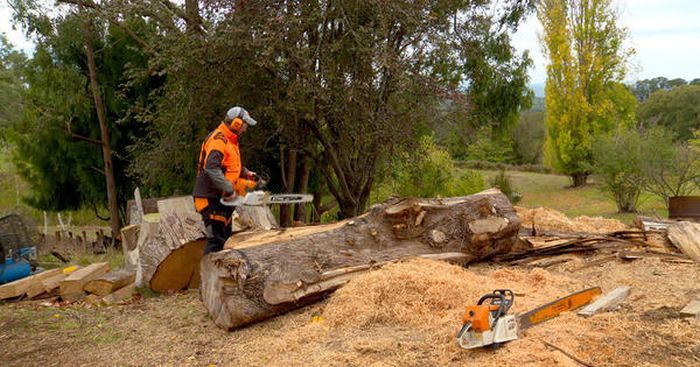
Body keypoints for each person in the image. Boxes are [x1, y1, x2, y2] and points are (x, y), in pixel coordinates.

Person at [193, 106, 262, 254]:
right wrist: (228, 188)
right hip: (210, 199)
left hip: (221, 199)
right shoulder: (219, 140)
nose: (245, 129)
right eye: (245, 125)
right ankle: (207, 276)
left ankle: (219, 276)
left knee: (225, 240)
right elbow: (211, 168)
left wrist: (246, 173)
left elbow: (230, 165)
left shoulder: (231, 141)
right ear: (236, 123)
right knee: (216, 241)